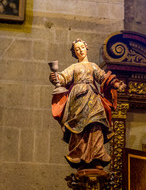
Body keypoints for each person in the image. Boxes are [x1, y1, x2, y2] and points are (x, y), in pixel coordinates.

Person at [49, 38, 126, 170]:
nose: (80, 51)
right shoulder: (73, 67)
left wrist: (116, 84)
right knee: (79, 126)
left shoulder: (93, 66)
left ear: (86, 48)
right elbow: (62, 78)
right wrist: (55, 77)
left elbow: (104, 77)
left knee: (96, 123)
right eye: (77, 49)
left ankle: (96, 156)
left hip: (93, 97)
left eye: (82, 47)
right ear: (74, 53)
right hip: (77, 100)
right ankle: (79, 155)